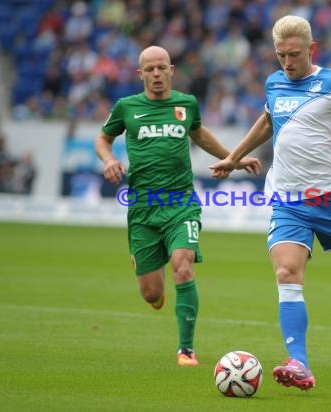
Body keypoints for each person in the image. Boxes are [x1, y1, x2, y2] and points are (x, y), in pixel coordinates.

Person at [210, 15, 331, 391]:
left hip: (330, 198)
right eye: (281, 55)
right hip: (286, 199)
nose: (287, 62)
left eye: (294, 55)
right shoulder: (274, 83)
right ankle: (298, 362)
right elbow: (266, 123)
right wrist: (233, 157)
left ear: (311, 50)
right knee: (286, 273)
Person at [94, 46, 261, 366]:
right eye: (150, 69)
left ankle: (186, 349)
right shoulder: (126, 107)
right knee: (152, 294)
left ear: (171, 70)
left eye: (161, 68)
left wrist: (233, 159)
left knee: (182, 264)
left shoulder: (186, 104)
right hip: (143, 207)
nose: (156, 74)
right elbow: (103, 138)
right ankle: (145, 268)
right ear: (140, 74)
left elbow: (199, 135)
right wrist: (109, 159)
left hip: (181, 202)